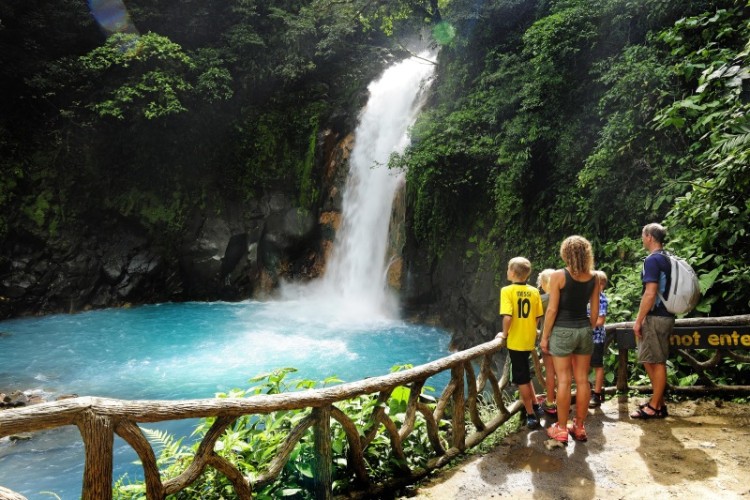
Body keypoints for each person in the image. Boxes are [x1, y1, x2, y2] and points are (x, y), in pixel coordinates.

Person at [540, 236, 599, 443]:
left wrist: (545, 336)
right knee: (582, 379)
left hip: (562, 331)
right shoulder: (595, 277)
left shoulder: (559, 276)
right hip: (584, 329)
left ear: (565, 253)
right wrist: (588, 327)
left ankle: (562, 428)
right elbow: (595, 309)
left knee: (564, 380)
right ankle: (580, 427)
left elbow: (553, 309)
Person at [630, 223, 674, 419]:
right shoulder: (668, 258)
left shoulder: (653, 260)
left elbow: (650, 293)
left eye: (642, 235)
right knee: (650, 358)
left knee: (656, 361)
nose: (642, 239)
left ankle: (655, 407)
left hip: (655, 315)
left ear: (649, 237)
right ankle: (659, 403)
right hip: (666, 315)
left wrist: (638, 320)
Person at [495, 257, 545, 429]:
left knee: (521, 379)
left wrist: (504, 334)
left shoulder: (506, 291)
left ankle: (530, 414)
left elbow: (507, 316)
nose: (506, 272)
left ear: (513, 273)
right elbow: (538, 317)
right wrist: (531, 330)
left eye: (508, 269)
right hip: (529, 339)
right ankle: (537, 405)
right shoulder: (534, 292)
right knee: (526, 375)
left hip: (515, 341)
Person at [537, 269, 558, 415]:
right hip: (565, 339)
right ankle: (563, 401)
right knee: (564, 374)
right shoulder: (565, 297)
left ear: (543, 284)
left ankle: (550, 402)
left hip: (548, 340)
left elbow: (535, 321)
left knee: (550, 372)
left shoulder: (542, 300)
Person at [588, 271, 609, 408]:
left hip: (596, 338)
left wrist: (584, 325)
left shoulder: (601, 299)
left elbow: (600, 321)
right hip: (585, 338)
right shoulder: (586, 298)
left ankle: (597, 393)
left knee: (597, 365)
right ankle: (587, 390)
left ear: (601, 285)